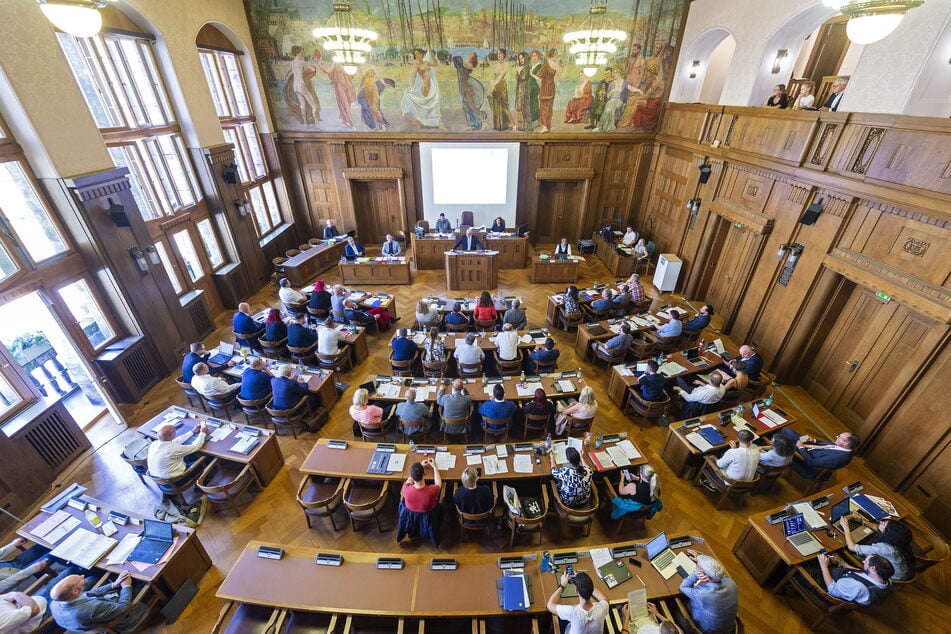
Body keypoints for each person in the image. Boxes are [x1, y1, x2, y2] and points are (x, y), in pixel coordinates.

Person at [50, 571, 149, 634]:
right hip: (124, 618)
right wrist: (126, 586)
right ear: (75, 591)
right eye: (80, 579)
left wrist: (114, 585)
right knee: (145, 585)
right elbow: (122, 608)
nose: (82, 576)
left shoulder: (55, 603)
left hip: (99, 612)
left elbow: (87, 594)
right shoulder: (91, 608)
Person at [839, 516, 914, 581]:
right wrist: (863, 521)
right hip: (903, 571)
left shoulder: (883, 549)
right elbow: (880, 529)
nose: (881, 522)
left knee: (845, 551)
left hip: (892, 578)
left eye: (884, 524)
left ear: (888, 534)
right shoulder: (897, 541)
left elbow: (852, 547)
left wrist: (845, 527)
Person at [678, 553, 738, 634]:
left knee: (676, 606)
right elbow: (719, 574)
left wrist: (696, 573)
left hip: (708, 630)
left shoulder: (703, 593)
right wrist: (700, 560)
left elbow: (683, 587)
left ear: (706, 577)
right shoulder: (732, 583)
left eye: (697, 567)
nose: (696, 567)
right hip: (729, 628)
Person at [773, 427, 860, 478]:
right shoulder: (844, 447)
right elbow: (827, 445)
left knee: (783, 442)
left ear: (845, 443)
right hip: (811, 448)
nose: (836, 437)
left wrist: (801, 448)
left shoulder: (838, 458)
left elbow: (811, 463)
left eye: (839, 437)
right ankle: (770, 437)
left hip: (805, 461)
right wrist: (814, 440)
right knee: (787, 430)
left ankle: (765, 440)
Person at [816, 552, 892, 605]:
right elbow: (858, 571)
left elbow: (832, 588)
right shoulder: (884, 578)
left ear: (873, 568)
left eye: (865, 561)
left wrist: (823, 566)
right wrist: (839, 562)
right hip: (844, 579)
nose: (863, 561)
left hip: (828, 584)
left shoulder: (858, 587)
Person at [546, 570, 609, 634]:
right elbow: (604, 598)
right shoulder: (602, 609)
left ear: (577, 591)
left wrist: (562, 585)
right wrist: (584, 585)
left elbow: (549, 605)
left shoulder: (572, 612)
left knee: (559, 619)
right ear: (592, 589)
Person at [398, 459, 443, 546]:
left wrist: (420, 467)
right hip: (429, 517)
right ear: (424, 474)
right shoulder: (431, 491)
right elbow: (438, 483)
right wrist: (434, 467)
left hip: (411, 517)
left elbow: (409, 480)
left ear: (411, 475)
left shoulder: (406, 488)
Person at [401, 48, 444, 129]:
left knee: (431, 103)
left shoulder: (426, 62)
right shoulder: (416, 65)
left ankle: (416, 120)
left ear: (422, 54)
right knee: (429, 104)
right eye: (415, 54)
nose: (417, 56)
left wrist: (432, 54)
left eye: (418, 54)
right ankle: (439, 124)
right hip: (424, 86)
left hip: (431, 85)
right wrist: (410, 86)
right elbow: (413, 76)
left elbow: (437, 65)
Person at [452, 52, 483, 131]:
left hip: (467, 88)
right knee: (466, 106)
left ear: (472, 58)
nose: (468, 54)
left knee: (471, 106)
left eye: (470, 54)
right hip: (463, 88)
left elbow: (456, 59)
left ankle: (482, 123)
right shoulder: (465, 64)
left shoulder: (469, 65)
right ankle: (472, 125)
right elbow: (457, 60)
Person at [487, 48, 513, 131]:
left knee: (504, 105)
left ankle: (511, 123)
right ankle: (498, 126)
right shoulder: (495, 65)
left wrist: (494, 84)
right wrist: (490, 87)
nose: (499, 55)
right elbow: (493, 77)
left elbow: (501, 76)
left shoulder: (506, 64)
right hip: (495, 85)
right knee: (496, 105)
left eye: (501, 54)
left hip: (501, 85)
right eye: (498, 53)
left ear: (504, 55)